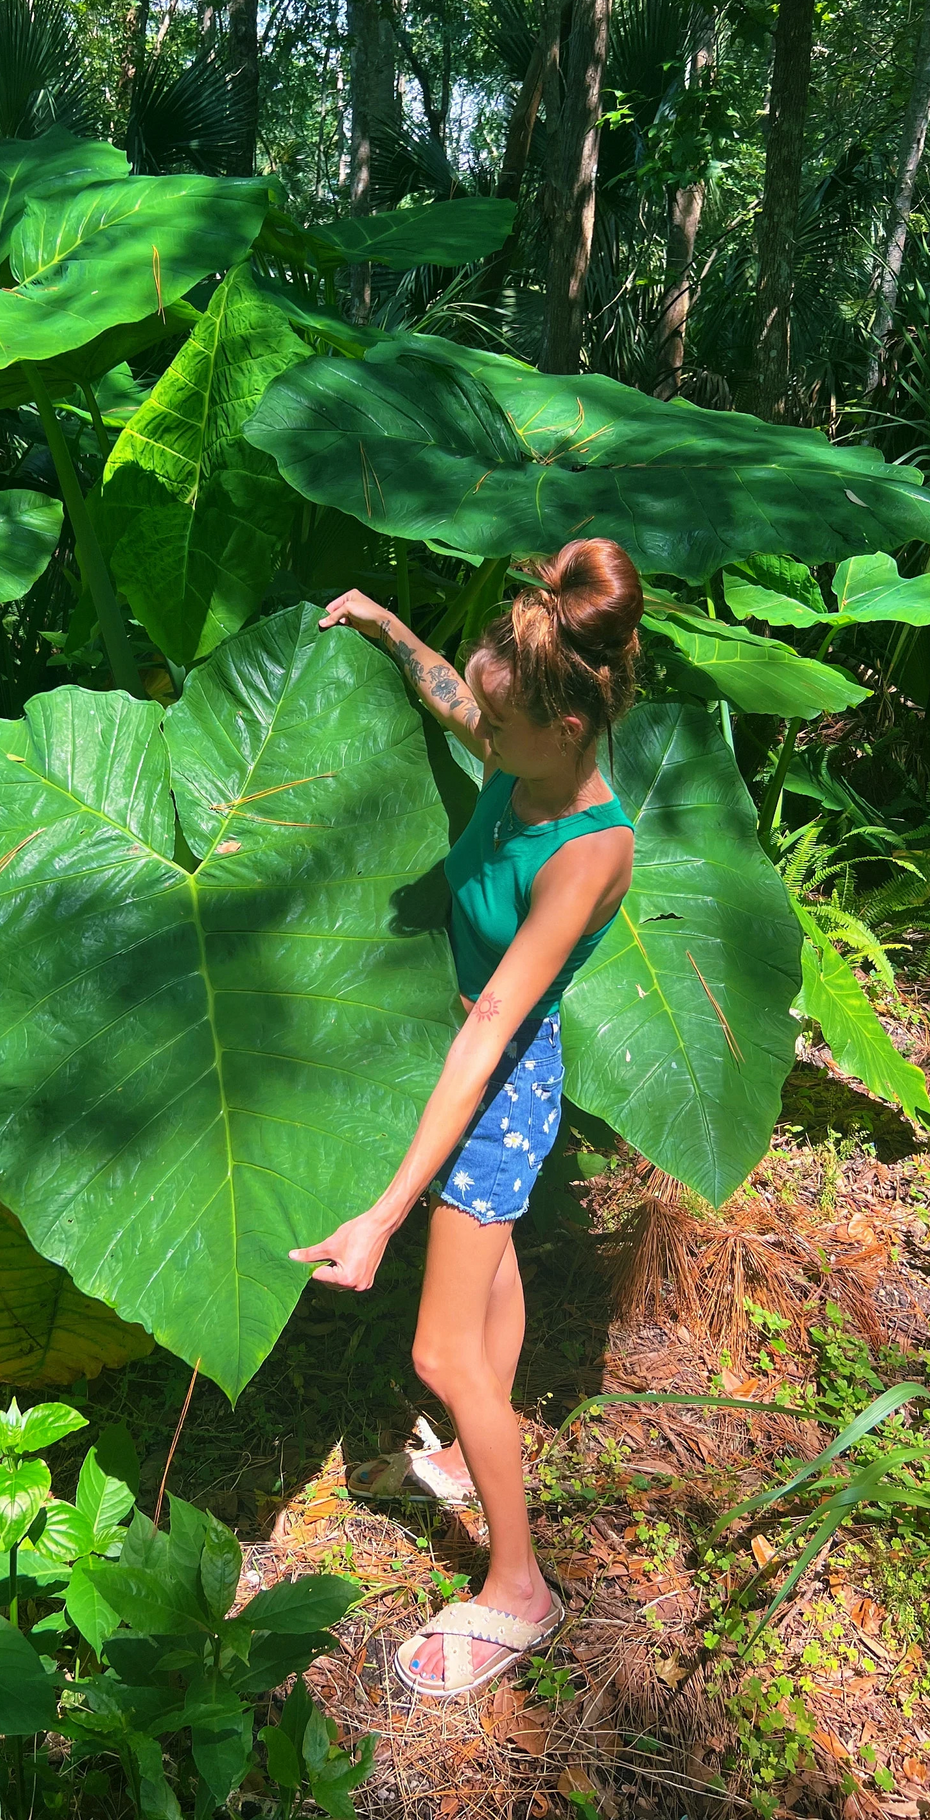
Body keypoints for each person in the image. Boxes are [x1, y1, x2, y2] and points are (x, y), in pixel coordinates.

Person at [288, 537, 643, 1702]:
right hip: (469, 1055)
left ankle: (519, 1589)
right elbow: (455, 701)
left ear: (571, 727)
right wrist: (389, 627)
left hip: (496, 1081)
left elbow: (492, 1025)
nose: (482, 735)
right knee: (482, 1285)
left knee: (435, 1347)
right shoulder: (524, 746)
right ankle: (462, 1450)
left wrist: (382, 1214)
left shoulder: (588, 851)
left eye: (504, 723)